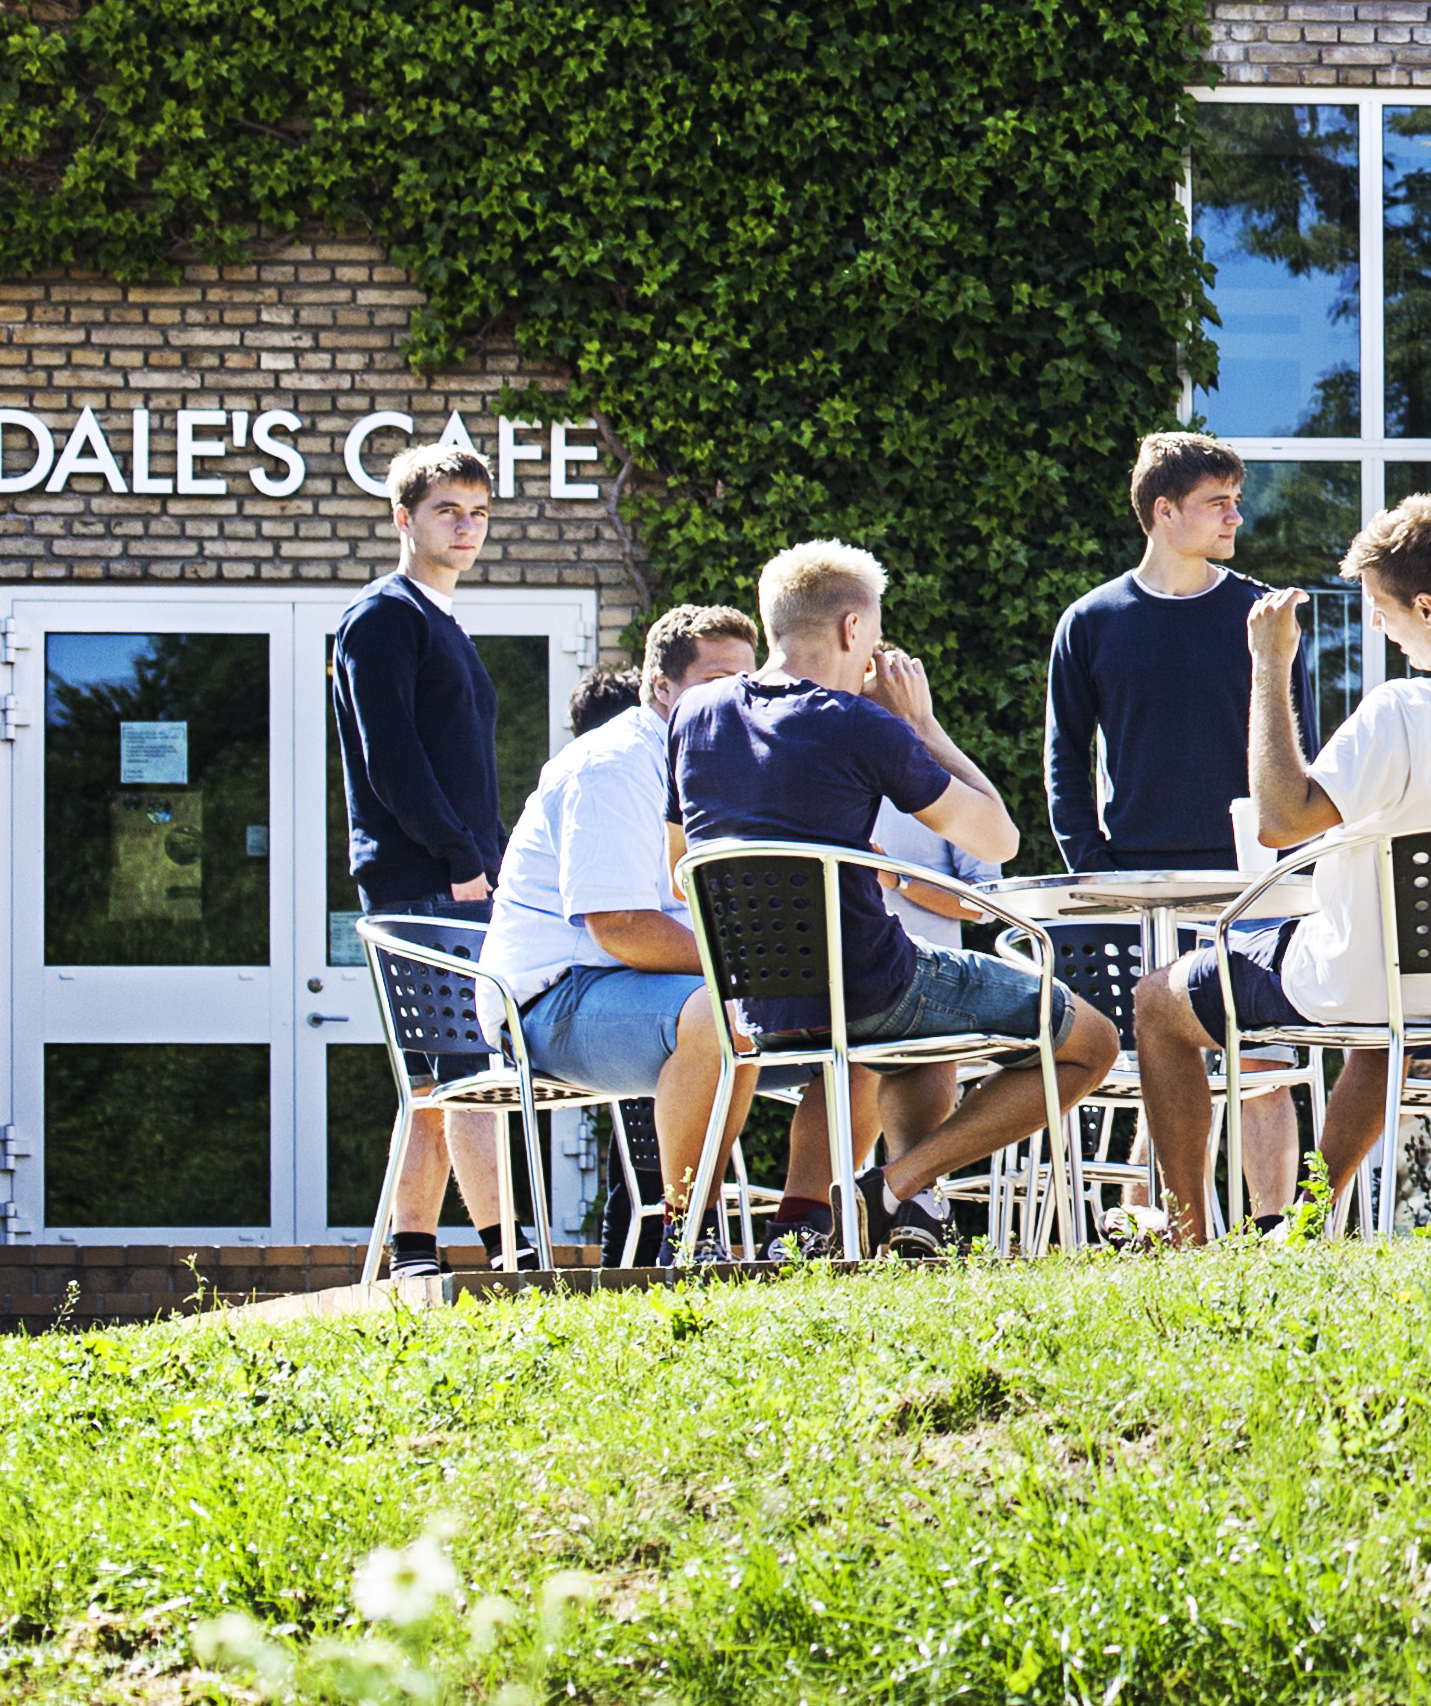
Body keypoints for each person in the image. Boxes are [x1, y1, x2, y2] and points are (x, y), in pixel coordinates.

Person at [1134, 498, 1431, 1239]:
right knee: (1381, 1028)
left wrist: (1270, 664)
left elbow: (1281, 814)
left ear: (1429, 607)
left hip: (1354, 979)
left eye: (1383, 610)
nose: (1378, 626)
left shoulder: (1402, 710)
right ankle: (1305, 1221)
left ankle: (1186, 1235)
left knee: (1157, 1002)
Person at [669, 540, 1121, 1258]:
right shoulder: (861, 724)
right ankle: (894, 1185)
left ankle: (885, 1220)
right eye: (873, 636)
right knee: (1092, 1041)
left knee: (914, 1039)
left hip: (758, 998)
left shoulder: (695, 716)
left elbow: (679, 864)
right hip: (870, 985)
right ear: (854, 630)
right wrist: (921, 724)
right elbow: (998, 838)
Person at [484, 600, 757, 1264]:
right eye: (716, 679)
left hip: (630, 987)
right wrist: (743, 965)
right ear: (659, 687)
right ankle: (686, 1236)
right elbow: (621, 926)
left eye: (747, 682)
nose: (736, 697)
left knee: (843, 1010)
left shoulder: (711, 765)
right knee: (727, 1009)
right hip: (548, 1002)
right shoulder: (614, 765)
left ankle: (801, 1224)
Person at [330, 431, 516, 1290]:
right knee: (472, 1069)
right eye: (449, 510)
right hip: (427, 882)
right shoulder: (384, 617)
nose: (466, 526)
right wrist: (458, 860)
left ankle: (412, 1252)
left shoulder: (438, 618)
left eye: (478, 513)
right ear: (404, 518)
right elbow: (391, 760)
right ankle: (514, 1255)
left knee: (442, 1073)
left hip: (459, 875)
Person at [1044, 432, 1276, 873]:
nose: (1236, 517)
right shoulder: (1089, 621)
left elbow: (1298, 748)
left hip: (1251, 877)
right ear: (1164, 510)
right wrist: (1096, 871)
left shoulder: (1261, 613)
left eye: (1236, 500)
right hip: (1133, 880)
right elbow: (1064, 763)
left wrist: (1286, 867)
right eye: (1217, 503)